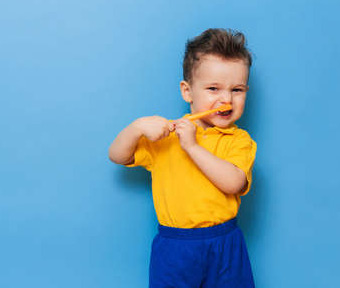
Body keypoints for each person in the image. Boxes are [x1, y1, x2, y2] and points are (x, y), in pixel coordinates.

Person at [108, 28, 257, 288]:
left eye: (237, 90)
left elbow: (234, 183)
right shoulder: (167, 135)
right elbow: (117, 155)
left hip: (225, 243)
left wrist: (192, 147)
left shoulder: (239, 141)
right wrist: (136, 128)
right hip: (175, 247)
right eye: (213, 88)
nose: (226, 99)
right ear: (187, 92)